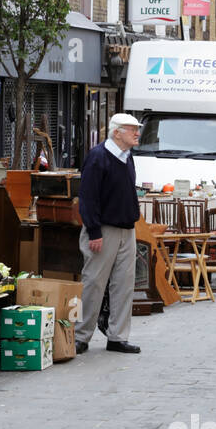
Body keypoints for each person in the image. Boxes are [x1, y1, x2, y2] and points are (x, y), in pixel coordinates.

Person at [75, 113, 143, 354]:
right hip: (103, 230)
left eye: (137, 129)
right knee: (93, 283)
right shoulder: (98, 157)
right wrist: (94, 231)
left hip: (126, 229)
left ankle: (117, 336)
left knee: (124, 285)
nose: (137, 133)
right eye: (132, 129)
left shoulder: (127, 157)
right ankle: (80, 335)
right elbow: (88, 197)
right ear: (117, 132)